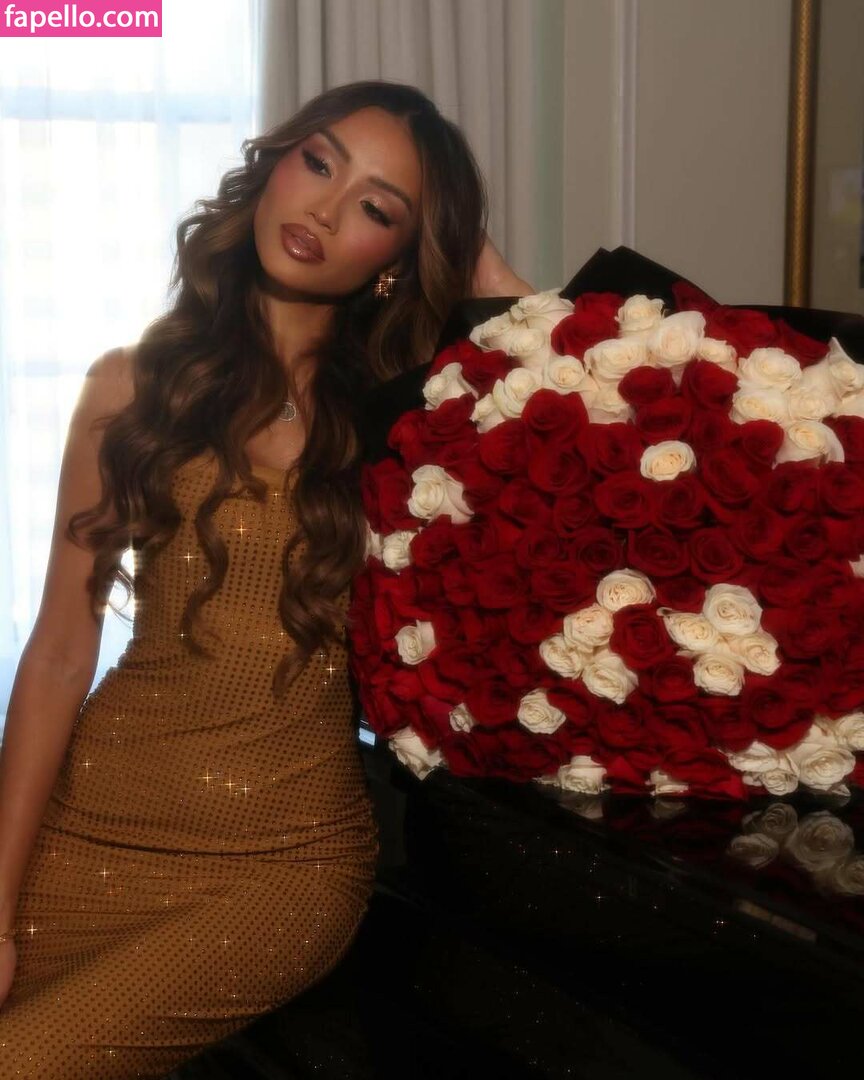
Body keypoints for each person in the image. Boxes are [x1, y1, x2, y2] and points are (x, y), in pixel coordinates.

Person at [0, 79, 532, 1078]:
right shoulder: (131, 384)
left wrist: (474, 258)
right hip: (86, 827)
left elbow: (575, 404)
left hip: (279, 867)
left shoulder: (417, 419)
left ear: (399, 254)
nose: (324, 210)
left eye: (376, 208)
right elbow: (60, 653)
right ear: (273, 164)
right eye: (318, 162)